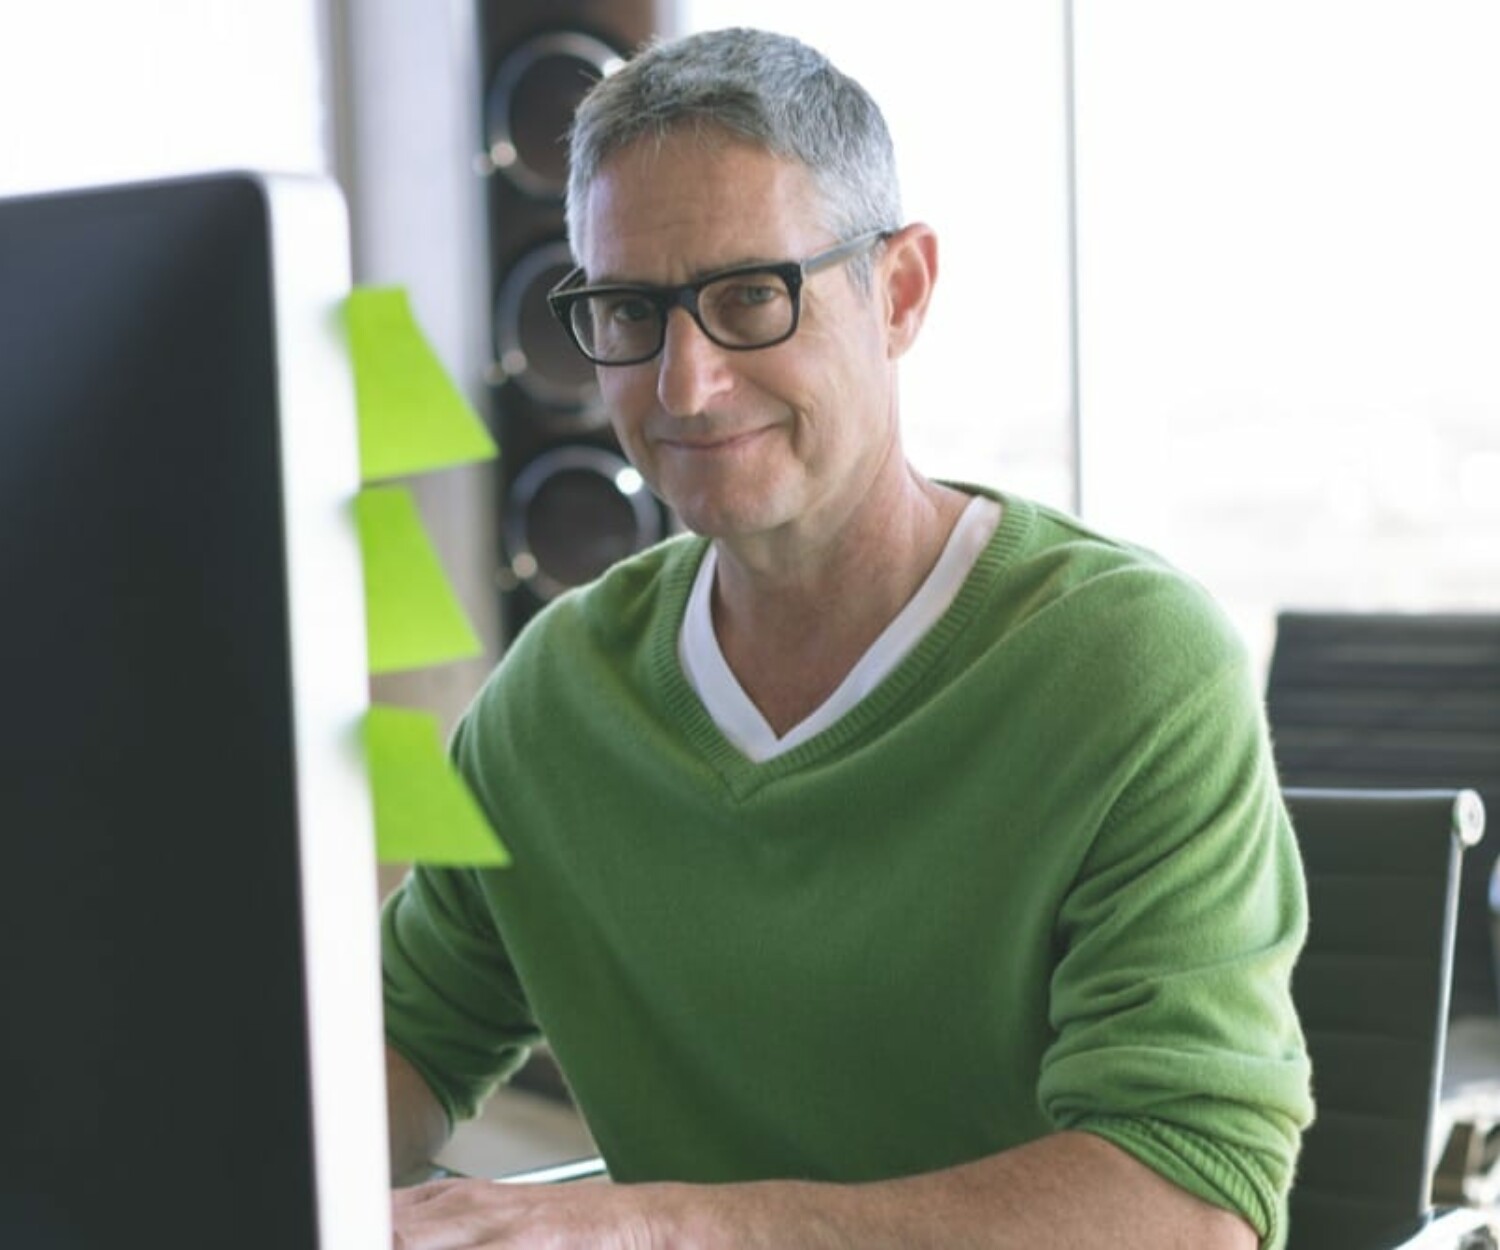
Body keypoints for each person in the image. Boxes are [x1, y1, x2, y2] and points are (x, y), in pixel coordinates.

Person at [381, 25, 1313, 1250]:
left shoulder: (1130, 666)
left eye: (749, 297)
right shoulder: (555, 698)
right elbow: (389, 1056)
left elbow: (1191, 1208)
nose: (684, 385)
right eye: (628, 309)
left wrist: (656, 1226)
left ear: (902, 291)